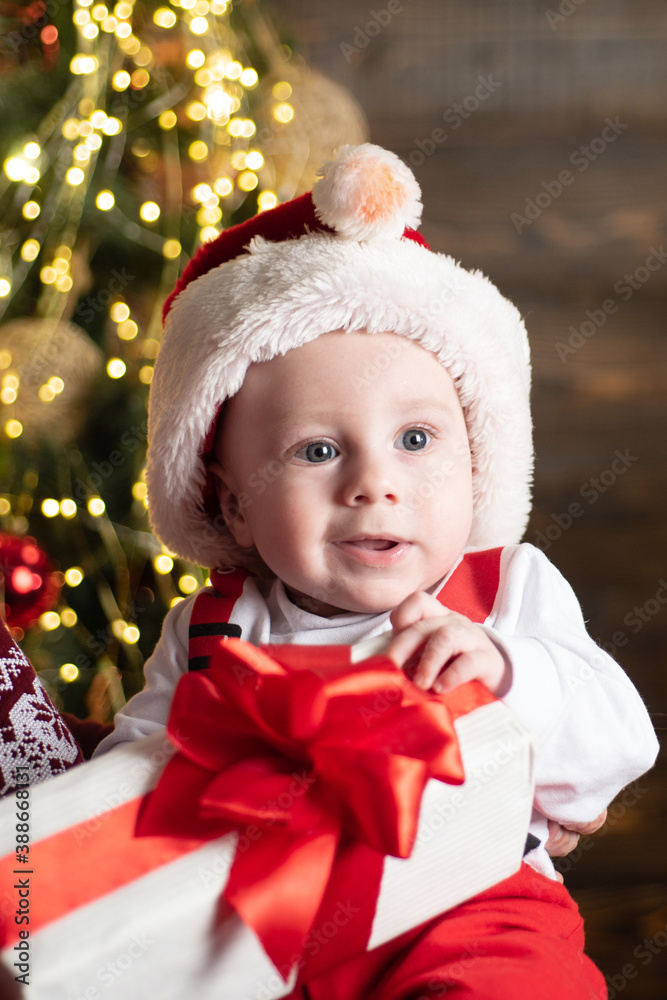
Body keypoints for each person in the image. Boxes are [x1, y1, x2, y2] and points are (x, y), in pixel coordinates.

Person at [95, 144, 658, 998]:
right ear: (234, 505)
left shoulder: (500, 591)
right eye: (317, 450)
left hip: (471, 903)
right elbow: (138, 771)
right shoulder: (211, 629)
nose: (374, 483)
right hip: (266, 918)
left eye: (416, 440)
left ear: (477, 462)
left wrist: (506, 673)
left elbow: (616, 743)